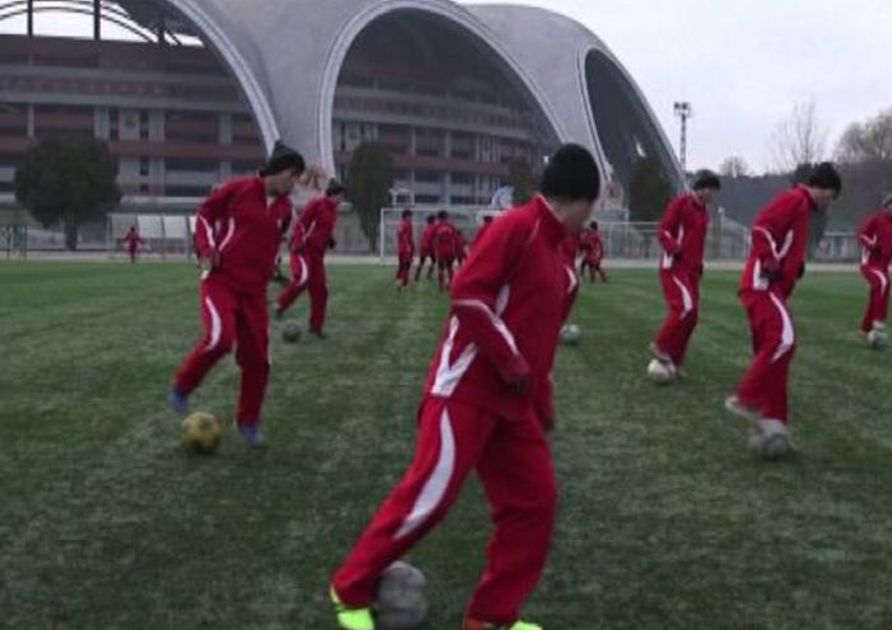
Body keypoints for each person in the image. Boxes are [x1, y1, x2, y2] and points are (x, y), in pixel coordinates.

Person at [330, 144, 602, 630]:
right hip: (466, 388)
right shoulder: (516, 227)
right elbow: (468, 296)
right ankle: (348, 588)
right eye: (593, 203)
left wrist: (542, 397)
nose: (592, 214)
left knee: (535, 503)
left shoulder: (564, 255)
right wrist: (511, 361)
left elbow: (543, 340)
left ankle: (492, 617)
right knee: (431, 495)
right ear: (582, 199)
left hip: (514, 403)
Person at [167, 142, 308, 447]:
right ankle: (181, 386)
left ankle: (248, 423)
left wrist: (273, 271)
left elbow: (272, 244)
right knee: (220, 338)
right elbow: (204, 215)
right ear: (280, 171)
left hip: (254, 292)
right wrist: (206, 250)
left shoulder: (284, 210)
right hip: (221, 281)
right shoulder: (238, 190)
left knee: (259, 360)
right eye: (293, 176)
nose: (294, 184)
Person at [724, 163, 842, 456]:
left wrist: (793, 265)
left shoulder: (803, 209)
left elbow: (783, 241)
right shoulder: (795, 200)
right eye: (829, 197)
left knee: (777, 356)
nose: (827, 204)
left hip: (771, 287)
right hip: (762, 285)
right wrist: (771, 263)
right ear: (821, 188)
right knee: (784, 340)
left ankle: (774, 423)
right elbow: (762, 228)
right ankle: (746, 397)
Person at [649, 171, 720, 379]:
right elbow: (663, 231)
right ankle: (659, 345)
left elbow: (697, 242)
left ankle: (676, 360)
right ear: (701, 188)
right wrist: (675, 249)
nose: (713, 195)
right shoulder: (681, 204)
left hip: (691, 271)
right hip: (674, 266)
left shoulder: (705, 213)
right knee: (684, 307)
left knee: (692, 316)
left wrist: (699, 265)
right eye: (711, 190)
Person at [275, 179, 344, 337]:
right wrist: (298, 242)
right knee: (302, 278)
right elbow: (301, 225)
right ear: (333, 194)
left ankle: (316, 327)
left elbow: (323, 228)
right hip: (302, 249)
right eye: (340, 195)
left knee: (321, 290)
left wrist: (330, 239)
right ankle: (280, 305)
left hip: (317, 254)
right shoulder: (316, 204)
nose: (341, 199)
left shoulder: (333, 211)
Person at [857, 194, 892, 342]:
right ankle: (879, 320)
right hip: (869, 263)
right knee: (883, 283)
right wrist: (873, 246)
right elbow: (862, 235)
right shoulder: (876, 219)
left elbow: (886, 245)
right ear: (885, 206)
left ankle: (865, 328)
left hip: (883, 265)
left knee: (877, 292)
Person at [432, 210, 458, 291]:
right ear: (446, 217)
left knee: (441, 268)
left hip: (441, 251)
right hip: (450, 250)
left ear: (439, 218)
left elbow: (432, 238)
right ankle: (450, 284)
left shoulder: (436, 226)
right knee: (450, 268)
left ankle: (441, 286)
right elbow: (455, 238)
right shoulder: (451, 226)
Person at [395, 210, 415, 289]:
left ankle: (401, 281)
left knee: (404, 265)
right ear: (405, 216)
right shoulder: (405, 224)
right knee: (405, 265)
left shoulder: (406, 224)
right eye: (409, 216)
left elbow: (408, 237)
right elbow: (403, 236)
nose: (410, 218)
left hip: (404, 248)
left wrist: (412, 246)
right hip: (404, 249)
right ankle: (402, 283)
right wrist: (407, 246)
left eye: (411, 216)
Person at [415, 215, 437, 282]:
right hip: (429, 246)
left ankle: (417, 275)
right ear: (433, 221)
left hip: (423, 246)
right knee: (434, 260)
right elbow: (430, 238)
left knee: (422, 261)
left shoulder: (426, 228)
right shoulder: (433, 227)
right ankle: (428, 275)